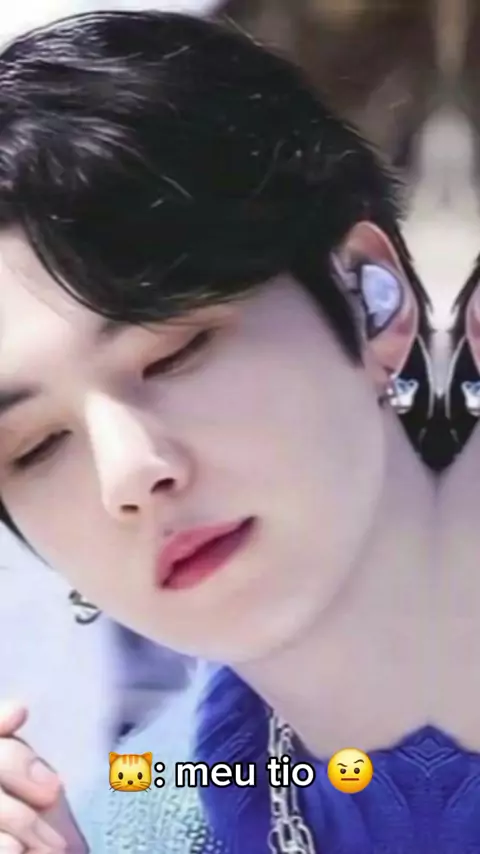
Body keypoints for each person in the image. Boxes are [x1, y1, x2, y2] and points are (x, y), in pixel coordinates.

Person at [0, 10, 445, 853]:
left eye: (175, 353)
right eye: (36, 446)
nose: (129, 472)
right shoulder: (139, 818)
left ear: (369, 295)